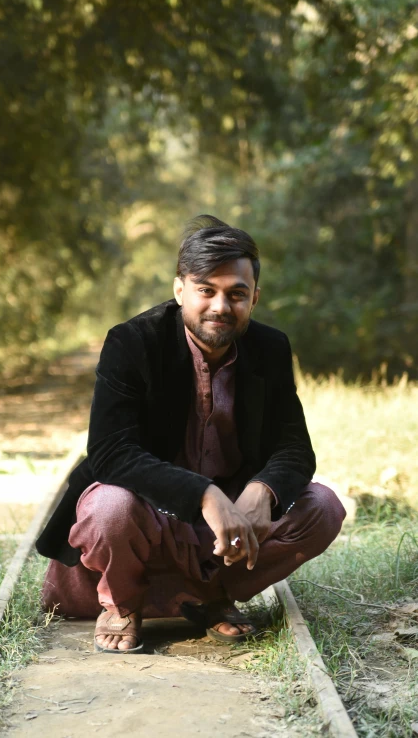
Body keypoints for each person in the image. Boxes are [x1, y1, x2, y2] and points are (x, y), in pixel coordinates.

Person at [36, 215, 346, 653]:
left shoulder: (270, 347)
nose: (221, 306)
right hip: (145, 518)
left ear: (254, 298)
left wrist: (261, 492)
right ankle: (123, 603)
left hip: (224, 532)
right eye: (206, 290)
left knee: (324, 507)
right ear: (180, 289)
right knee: (109, 506)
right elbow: (110, 451)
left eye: (236, 294)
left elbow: (294, 447)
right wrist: (204, 495)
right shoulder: (132, 342)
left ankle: (213, 595)